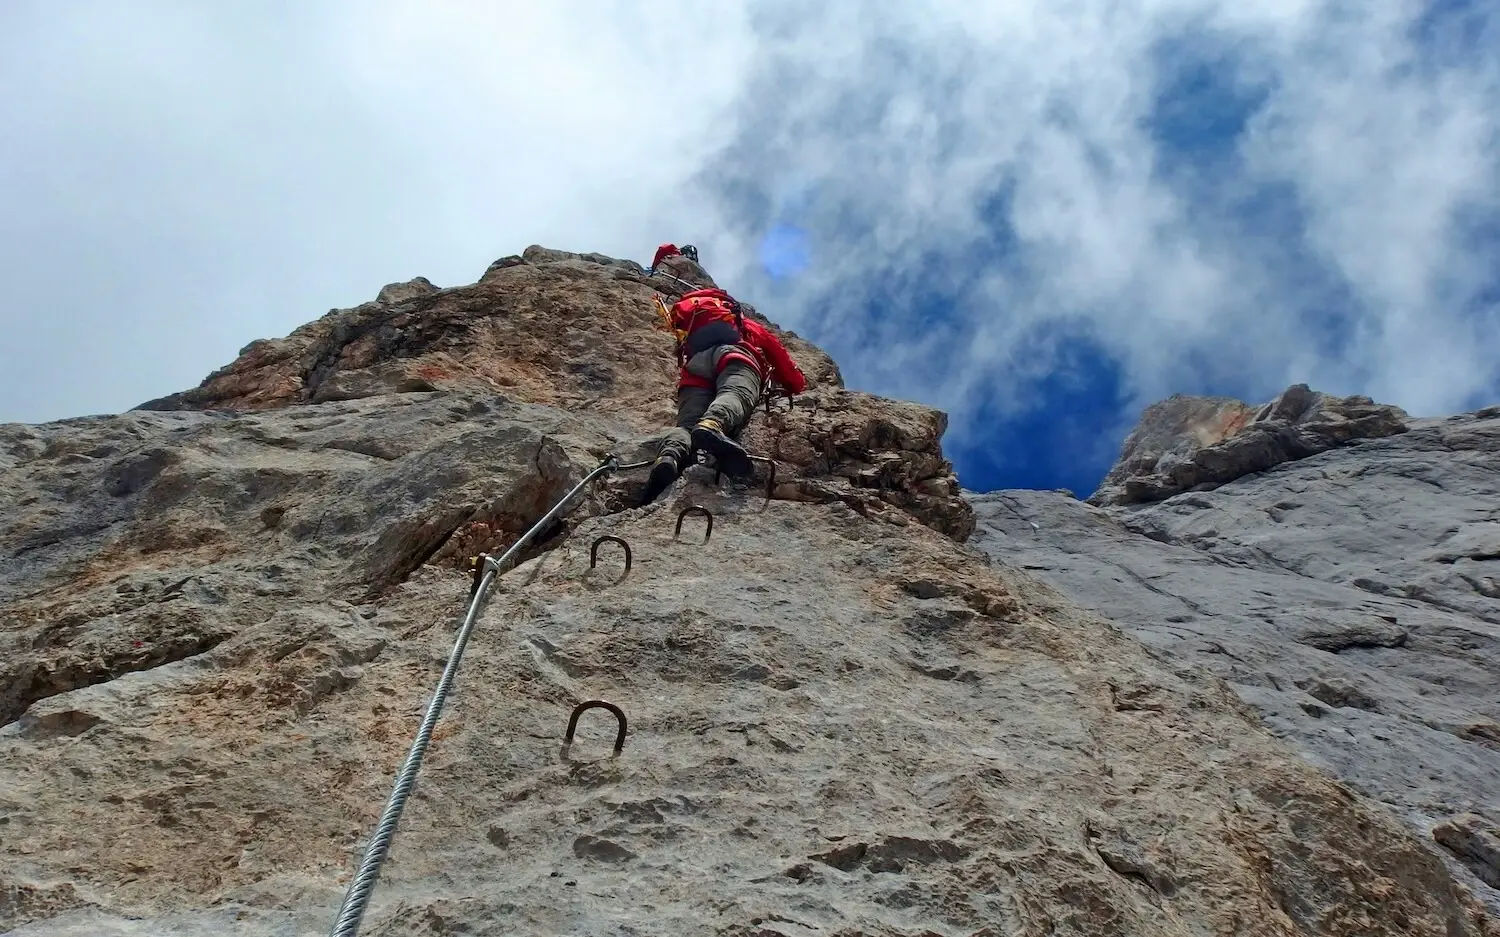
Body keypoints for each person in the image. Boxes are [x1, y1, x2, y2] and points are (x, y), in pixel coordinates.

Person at [640, 280, 807, 506]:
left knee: (686, 425)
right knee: (735, 393)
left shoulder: (689, 322)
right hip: (733, 356)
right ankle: (712, 425)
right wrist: (797, 385)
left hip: (695, 368)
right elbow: (778, 355)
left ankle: (669, 456)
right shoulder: (741, 322)